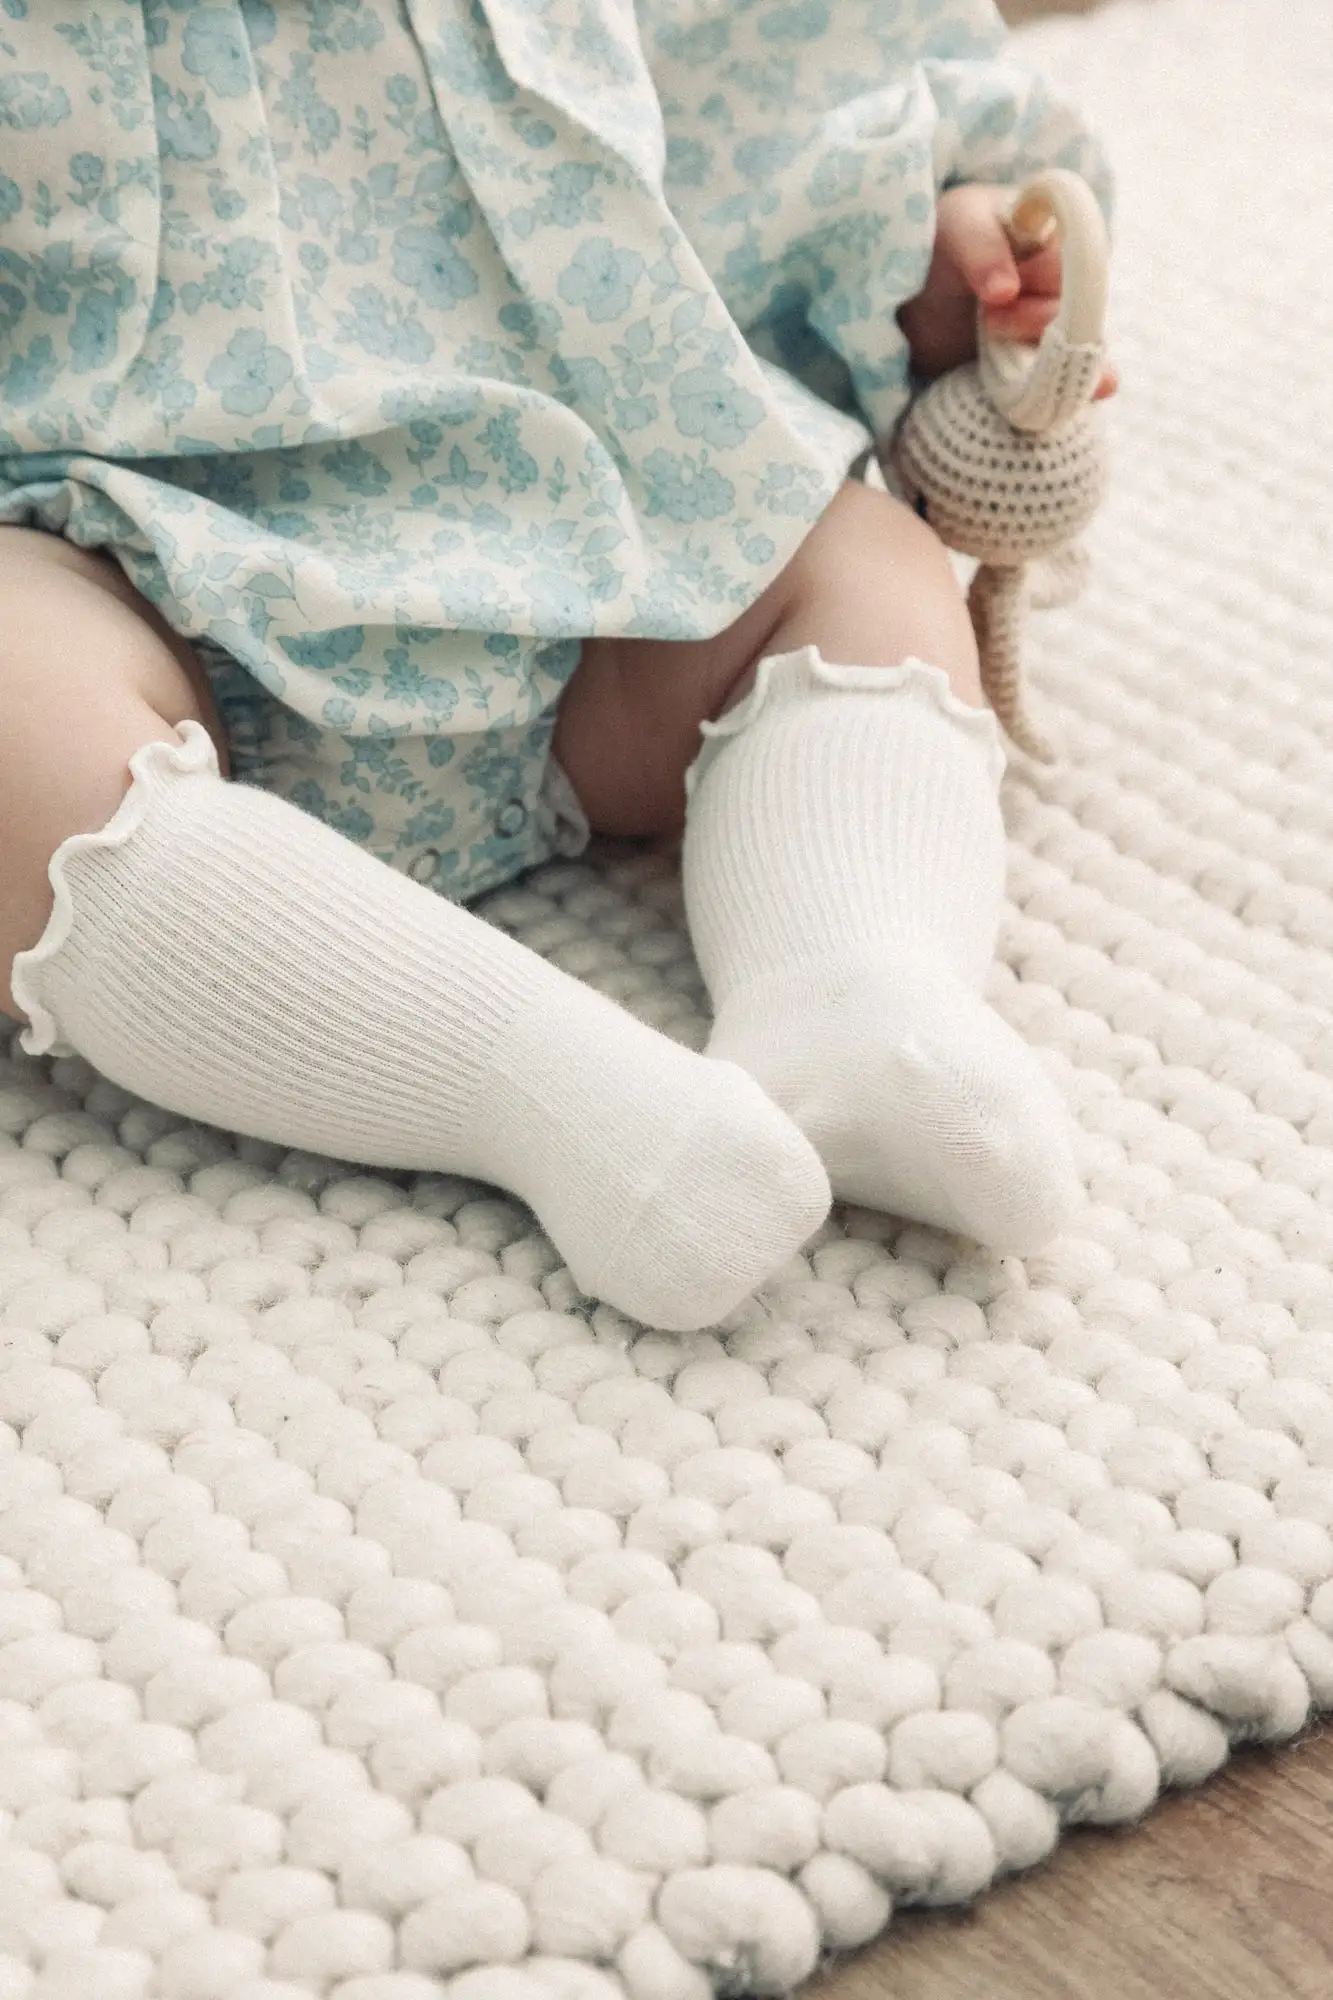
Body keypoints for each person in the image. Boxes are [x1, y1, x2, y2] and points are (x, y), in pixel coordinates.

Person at [0, 0, 1115, 1332]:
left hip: (588, 549)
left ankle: (857, 987)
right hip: (124, 554)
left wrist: (924, 241)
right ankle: (541, 1092)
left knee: (854, 565)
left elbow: (758, 75)